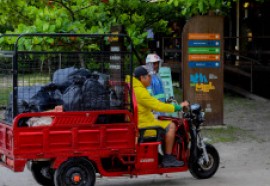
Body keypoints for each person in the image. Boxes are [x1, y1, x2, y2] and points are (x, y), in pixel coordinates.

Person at [128, 65, 189, 167]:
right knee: (171, 126)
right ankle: (168, 158)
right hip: (144, 124)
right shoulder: (140, 91)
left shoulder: (132, 86)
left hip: (142, 120)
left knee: (164, 122)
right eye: (149, 77)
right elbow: (158, 105)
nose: (151, 79)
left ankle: (163, 155)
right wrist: (178, 107)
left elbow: (148, 105)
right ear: (142, 78)